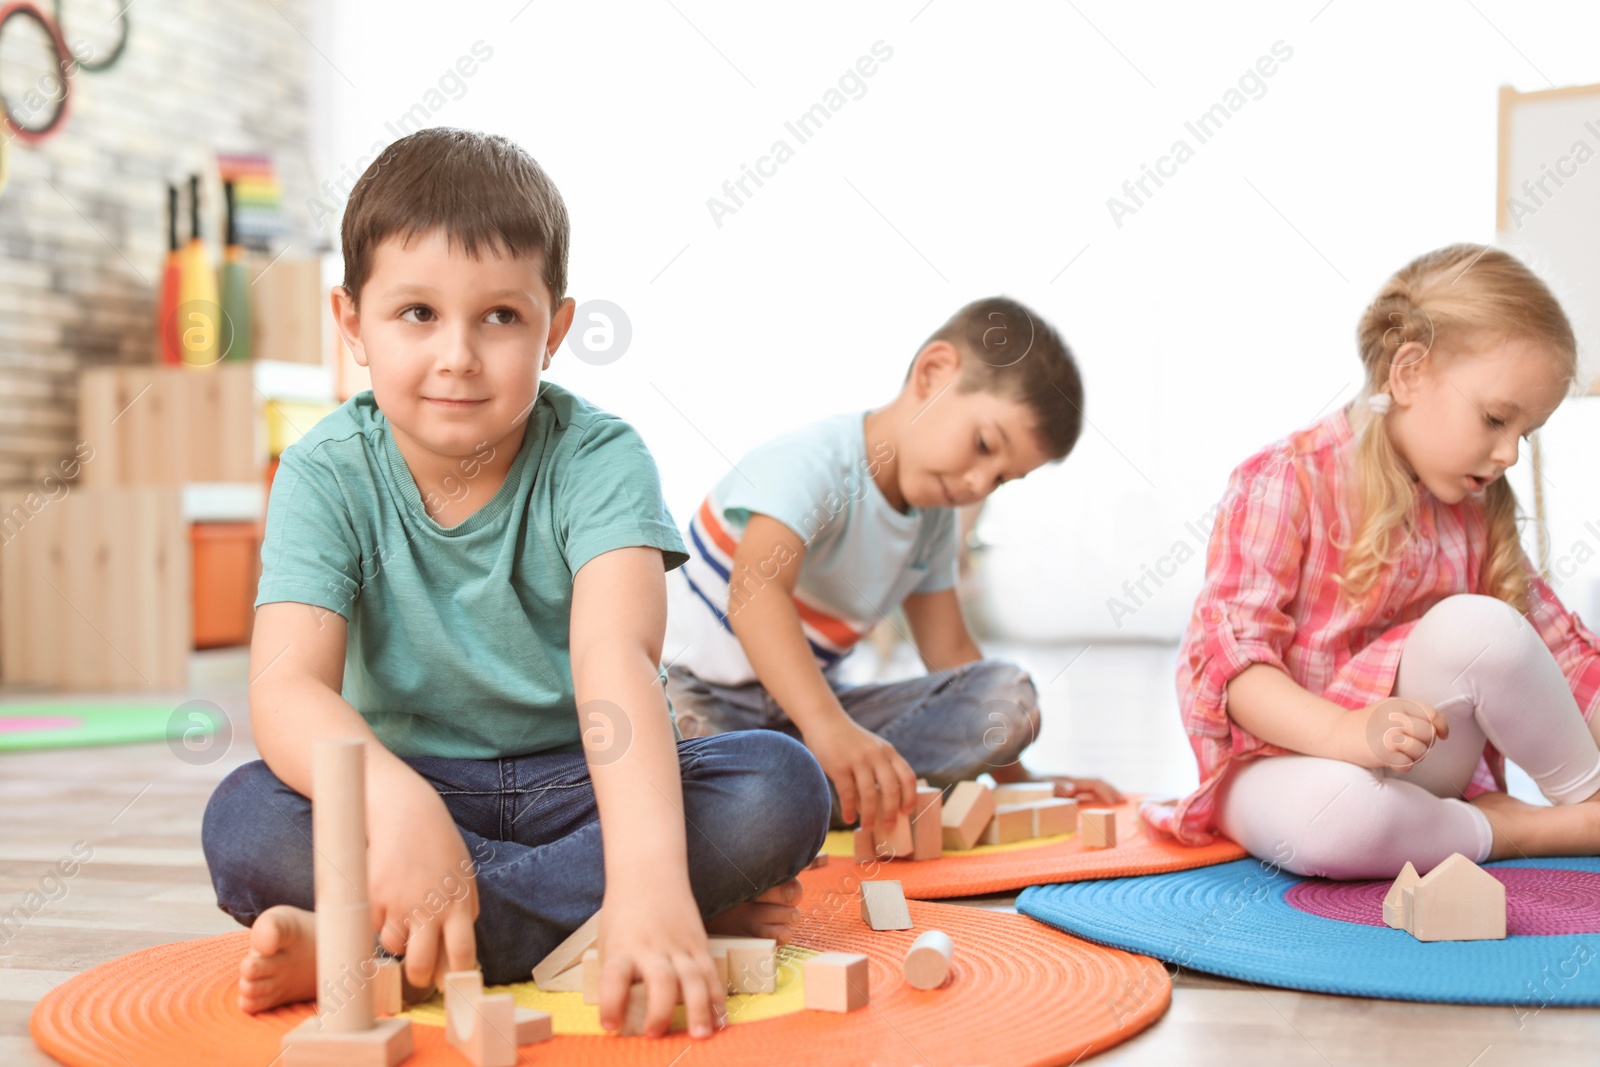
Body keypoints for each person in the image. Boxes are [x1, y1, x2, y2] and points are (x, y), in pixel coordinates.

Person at [200, 128, 830, 1040]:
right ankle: (572, 915)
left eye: (499, 316)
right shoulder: (323, 471)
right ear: (352, 324)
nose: (458, 354)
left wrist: (651, 876)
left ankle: (384, 946)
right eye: (417, 313)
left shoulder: (600, 457)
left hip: (583, 782)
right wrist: (398, 802)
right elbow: (288, 688)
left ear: (554, 330)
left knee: (779, 786)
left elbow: (614, 659)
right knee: (244, 821)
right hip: (413, 782)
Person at [1148, 244, 1600, 879]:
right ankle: (1517, 829)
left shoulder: (1475, 507)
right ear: (1408, 373)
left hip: (1414, 765)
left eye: (1524, 434)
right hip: (1279, 765)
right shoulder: (1285, 480)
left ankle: (1589, 805)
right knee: (1339, 818)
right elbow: (1238, 668)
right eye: (1496, 419)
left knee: (1484, 629)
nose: (1509, 457)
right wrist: (1345, 734)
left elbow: (1563, 656)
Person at [664, 297, 1121, 837]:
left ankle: (818, 792)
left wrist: (1018, 780)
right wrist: (831, 728)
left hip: (802, 718)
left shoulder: (932, 521)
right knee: (728, 764)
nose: (978, 483)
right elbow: (755, 592)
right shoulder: (814, 464)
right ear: (933, 373)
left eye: (1000, 479)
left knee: (1006, 698)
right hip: (697, 695)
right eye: (983, 445)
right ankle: (804, 790)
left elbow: (949, 651)